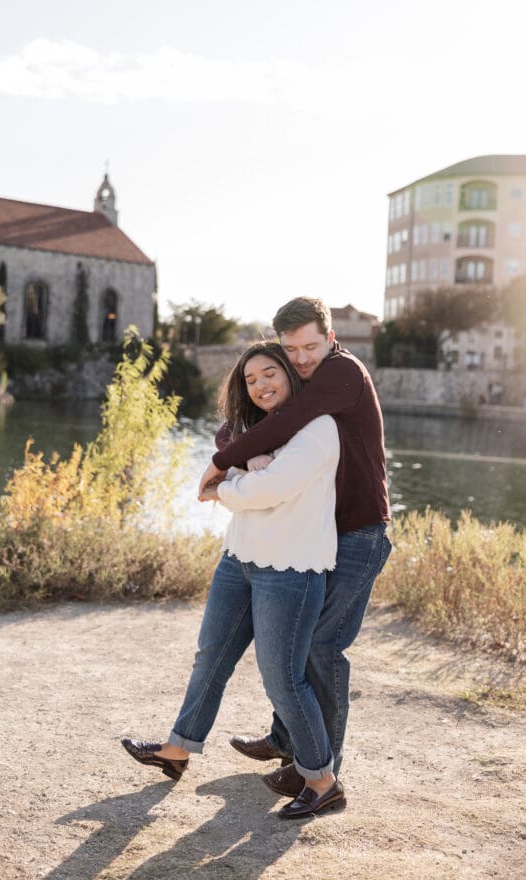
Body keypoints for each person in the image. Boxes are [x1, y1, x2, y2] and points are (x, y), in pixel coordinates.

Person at [122, 342, 346, 818]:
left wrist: (226, 486)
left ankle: (323, 781)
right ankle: (178, 749)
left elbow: (271, 490)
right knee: (211, 657)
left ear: (290, 374)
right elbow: (243, 468)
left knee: (282, 679)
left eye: (271, 374)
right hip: (240, 560)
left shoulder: (319, 428)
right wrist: (245, 467)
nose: (262, 385)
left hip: (291, 569)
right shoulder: (251, 431)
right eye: (251, 380)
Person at [198, 297, 391, 805]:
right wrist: (238, 450)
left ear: (330, 338)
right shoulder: (303, 376)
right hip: (325, 534)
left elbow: (286, 423)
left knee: (321, 649)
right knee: (301, 644)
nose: (302, 358)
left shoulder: (340, 373)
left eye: (310, 346)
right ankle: (291, 746)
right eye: (292, 349)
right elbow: (248, 420)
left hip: (359, 533)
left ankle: (321, 774)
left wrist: (220, 467)